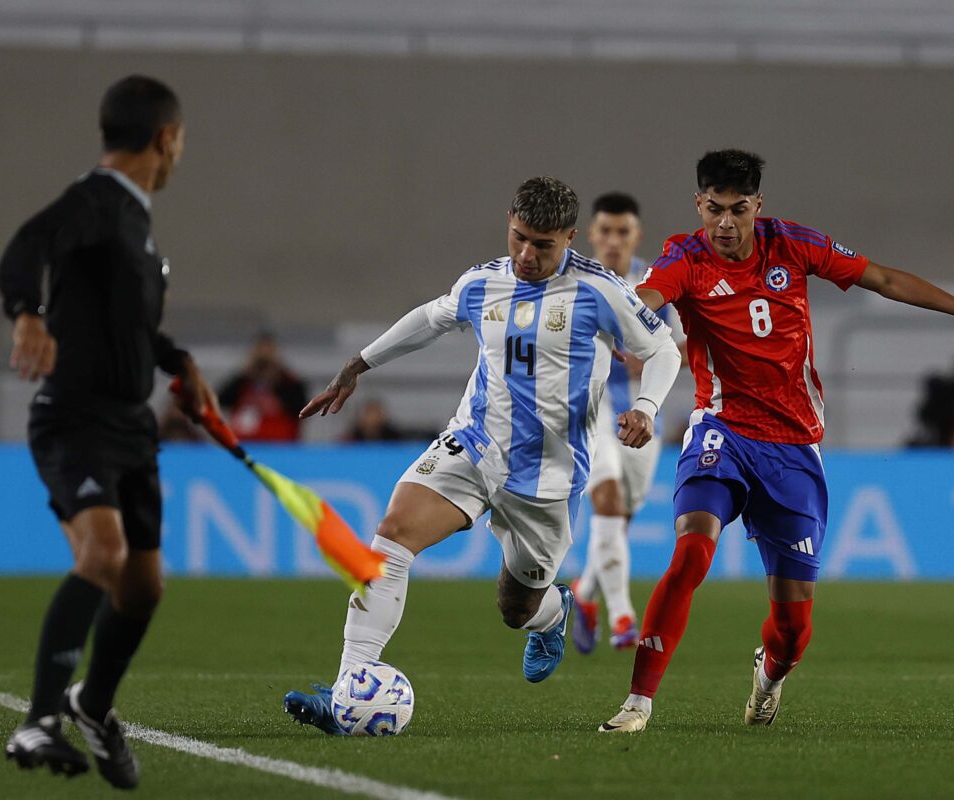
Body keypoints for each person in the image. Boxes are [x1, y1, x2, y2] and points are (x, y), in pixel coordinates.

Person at [598, 149, 954, 733]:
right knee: (691, 550)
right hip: (720, 430)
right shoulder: (685, 255)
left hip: (794, 449)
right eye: (715, 210)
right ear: (699, 203)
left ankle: (770, 674)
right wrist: (618, 329)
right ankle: (638, 702)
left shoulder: (793, 244)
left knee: (793, 629)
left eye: (738, 210)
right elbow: (645, 301)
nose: (725, 224)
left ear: (758, 205)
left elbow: (881, 278)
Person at [282, 177, 680, 734]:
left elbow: (660, 347)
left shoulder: (601, 292)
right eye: (519, 238)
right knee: (393, 535)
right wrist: (358, 365)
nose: (526, 254)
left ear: (569, 238)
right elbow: (429, 319)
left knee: (516, 607)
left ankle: (553, 613)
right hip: (473, 445)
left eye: (543, 244)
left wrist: (645, 404)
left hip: (548, 476)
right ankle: (352, 685)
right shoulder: (484, 281)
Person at [0, 76, 216, 787]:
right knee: (104, 552)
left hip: (131, 428)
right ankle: (37, 723)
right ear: (166, 139)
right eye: (181, 140)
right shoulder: (97, 201)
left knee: (144, 589)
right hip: (75, 419)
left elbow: (133, 330)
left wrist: (178, 363)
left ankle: (91, 704)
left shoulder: (137, 227)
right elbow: (28, 244)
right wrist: (25, 311)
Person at [573, 192, 682, 653]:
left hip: (640, 415)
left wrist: (651, 358)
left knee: (620, 516)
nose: (614, 240)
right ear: (591, 235)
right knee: (609, 500)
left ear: (636, 236)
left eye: (623, 232)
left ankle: (584, 593)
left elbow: (675, 348)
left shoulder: (656, 284)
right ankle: (623, 617)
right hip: (588, 410)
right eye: (606, 231)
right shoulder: (575, 281)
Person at [217, 332, 308, 441]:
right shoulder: (243, 382)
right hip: (246, 444)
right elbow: (220, 400)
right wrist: (245, 374)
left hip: (281, 446)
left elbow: (300, 407)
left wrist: (275, 378)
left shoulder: (289, 383)